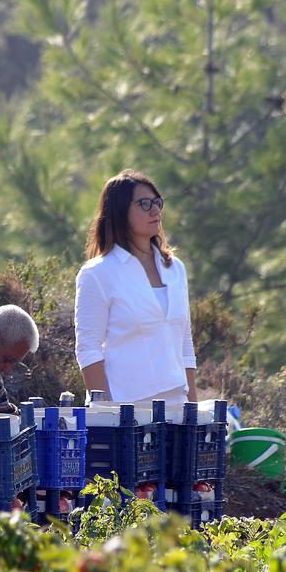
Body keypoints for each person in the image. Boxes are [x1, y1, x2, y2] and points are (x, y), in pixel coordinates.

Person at [74, 169, 197, 406]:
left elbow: (185, 344)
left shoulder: (176, 269)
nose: (155, 210)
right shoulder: (97, 274)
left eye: (157, 202)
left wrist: (193, 409)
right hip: (126, 410)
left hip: (177, 407)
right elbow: (88, 350)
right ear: (120, 212)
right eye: (143, 204)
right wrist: (106, 413)